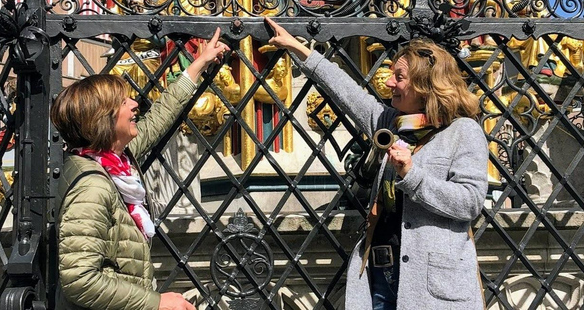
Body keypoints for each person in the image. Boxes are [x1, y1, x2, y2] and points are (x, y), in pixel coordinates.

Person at [265, 17, 488, 310]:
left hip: (432, 284)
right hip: (380, 275)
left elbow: (469, 203)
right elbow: (348, 93)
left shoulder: (462, 131)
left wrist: (411, 174)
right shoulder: (391, 123)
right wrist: (298, 48)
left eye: (399, 76)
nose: (389, 82)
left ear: (425, 84)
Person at [52, 29, 230, 310]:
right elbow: (80, 279)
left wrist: (198, 64)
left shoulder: (117, 161)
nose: (134, 104)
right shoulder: (94, 186)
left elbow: (159, 117)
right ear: (104, 119)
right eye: (124, 102)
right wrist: (155, 303)